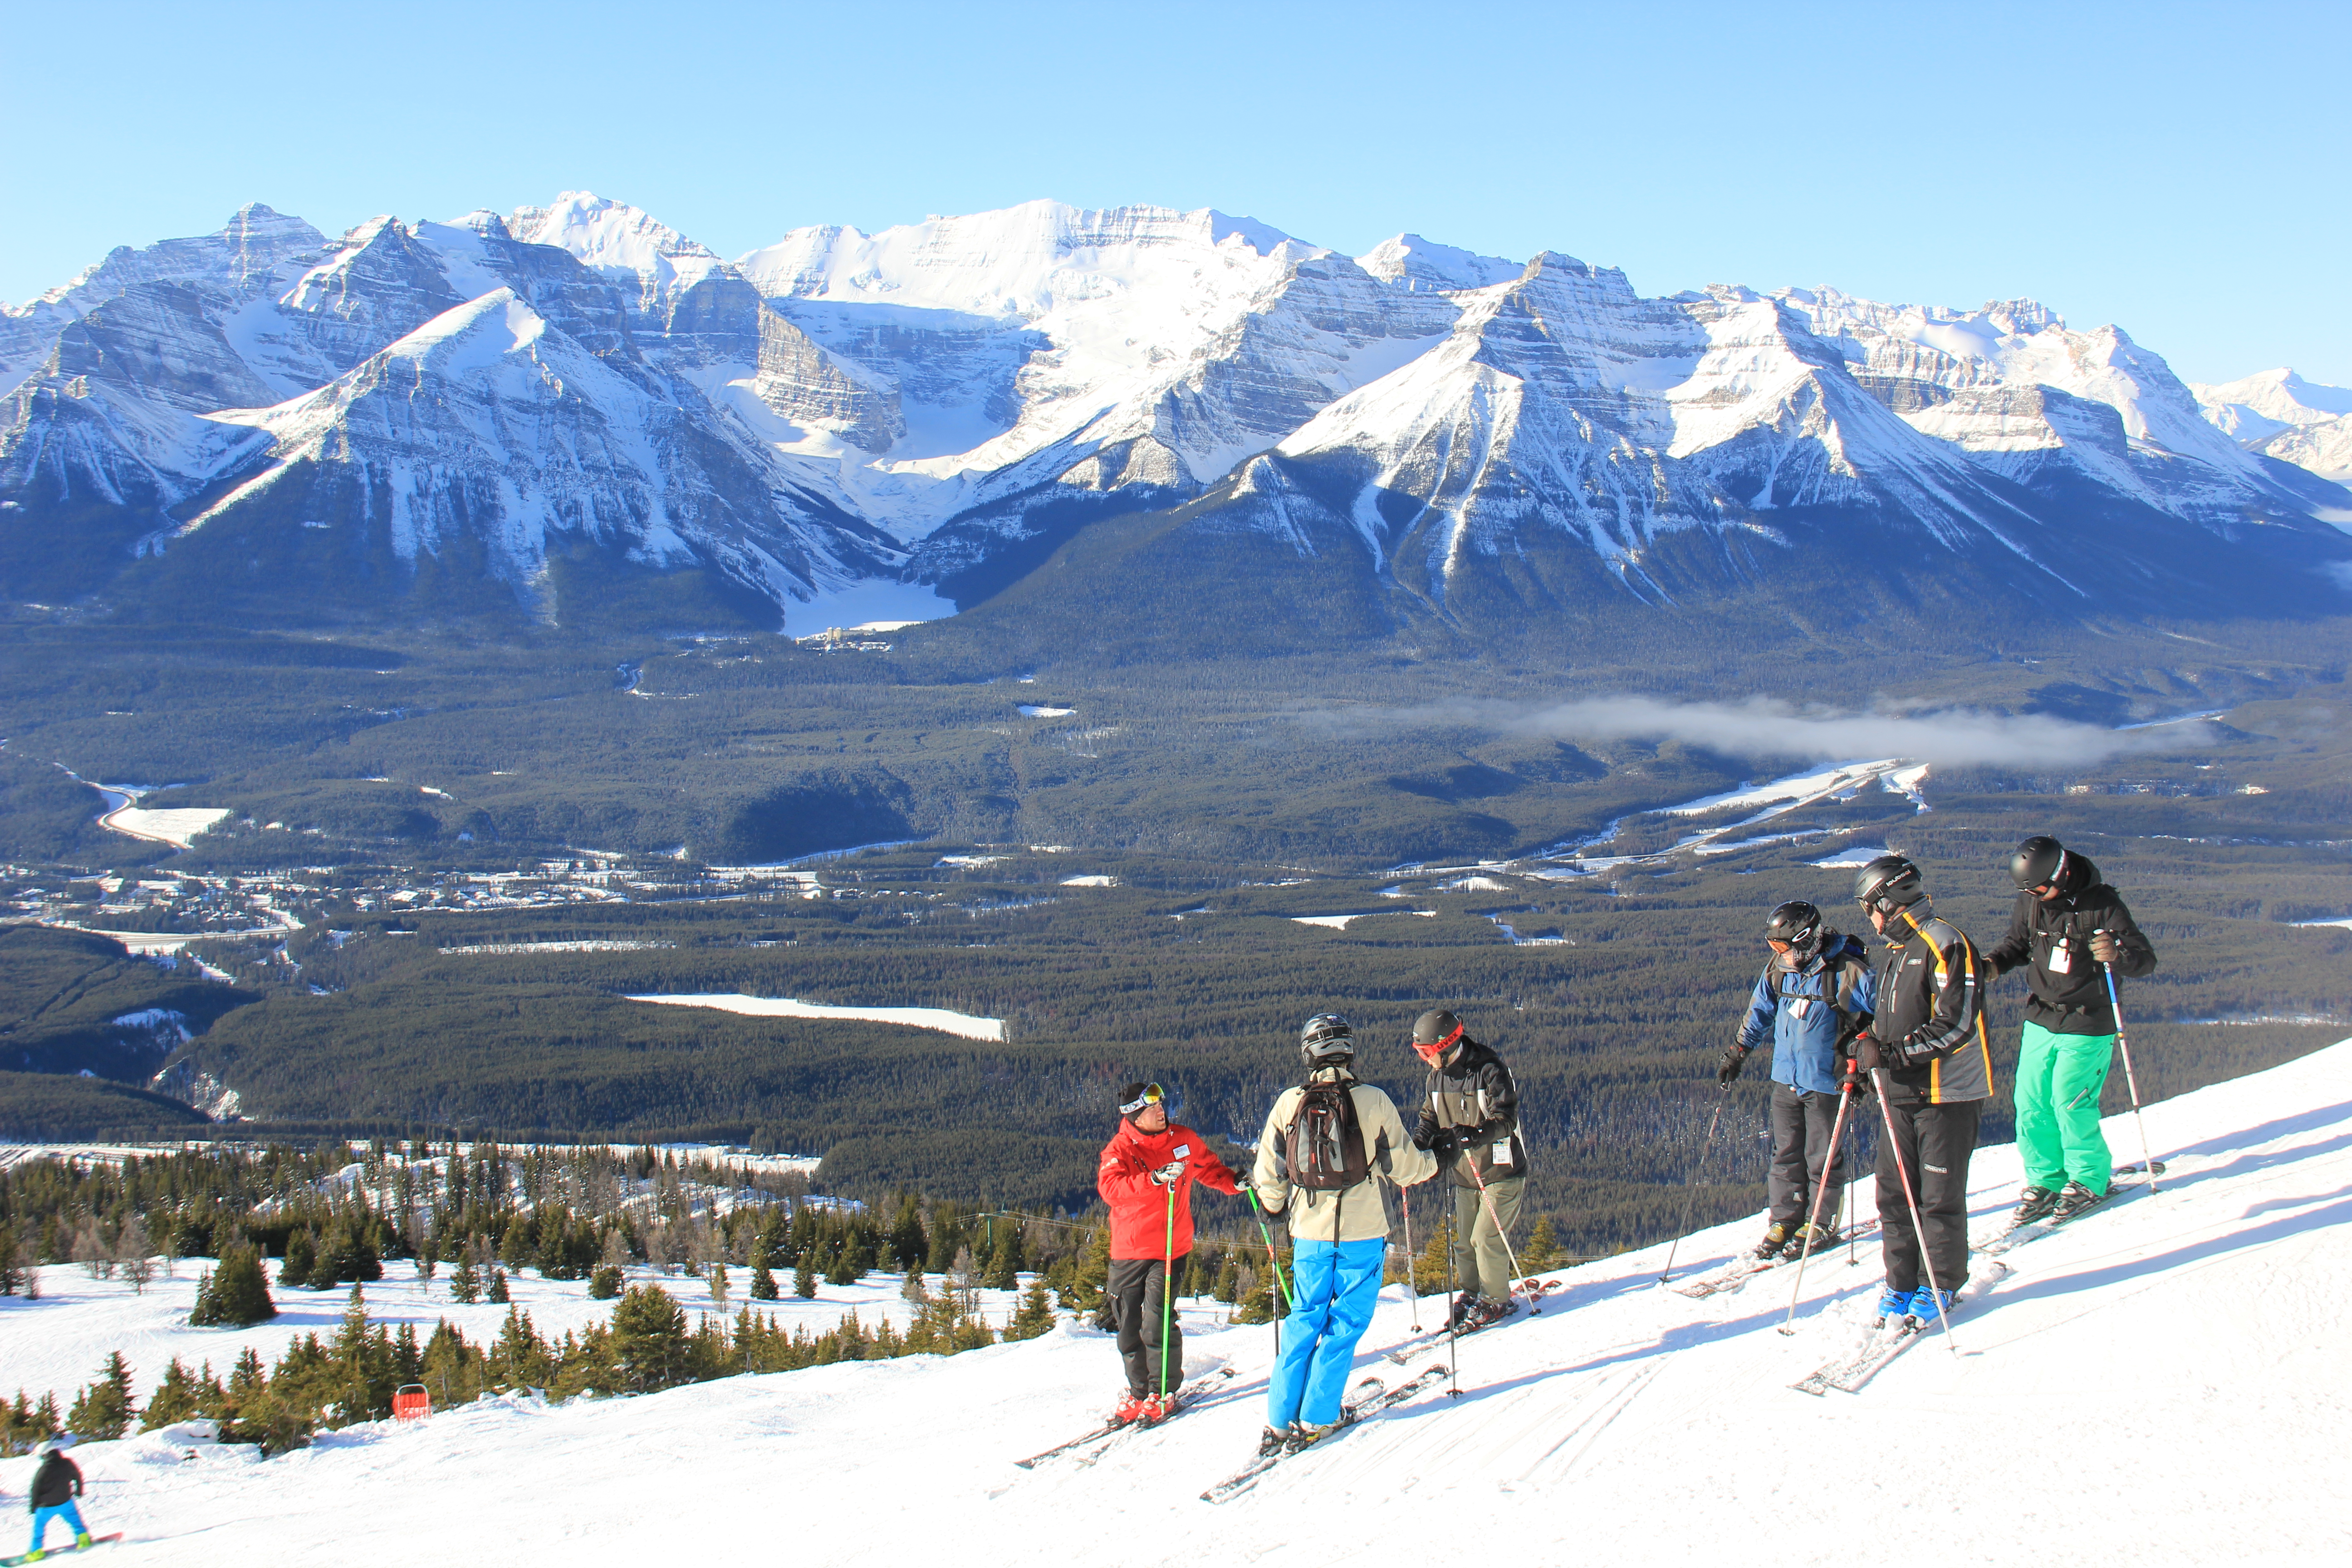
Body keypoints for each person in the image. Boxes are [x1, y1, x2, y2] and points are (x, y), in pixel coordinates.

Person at [1250, 1014, 1436, 1455]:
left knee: (1304, 1318)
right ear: (1349, 1051)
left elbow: (1268, 1174)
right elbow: (1407, 1167)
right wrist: (1437, 1159)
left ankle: (1279, 1421)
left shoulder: (1288, 1103)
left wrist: (1275, 1208)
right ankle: (1318, 1416)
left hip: (1309, 1233)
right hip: (1363, 1232)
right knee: (1346, 1322)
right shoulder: (1373, 1101)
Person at [1848, 854, 1995, 1325]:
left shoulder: (1945, 943)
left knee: (1938, 1197)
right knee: (1895, 1194)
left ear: (1888, 901)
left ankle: (1942, 1284)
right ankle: (1901, 1283)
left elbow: (1956, 1027)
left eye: (1869, 907)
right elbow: (1888, 1022)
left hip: (1945, 1096)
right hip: (1901, 1095)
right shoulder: (1896, 951)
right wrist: (1864, 1052)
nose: (1868, 919)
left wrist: (1889, 1057)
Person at [1982, 836, 2159, 1224]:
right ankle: (2046, 1179)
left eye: (2040, 888)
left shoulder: (2102, 904)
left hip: (2088, 1020)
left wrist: (2117, 953)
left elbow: (2145, 960)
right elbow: (2017, 944)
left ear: (2060, 875)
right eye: (2029, 890)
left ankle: (2089, 1178)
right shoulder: (2032, 901)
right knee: (2030, 1104)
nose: (2035, 896)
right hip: (2042, 1016)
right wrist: (1994, 964)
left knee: (2070, 1101)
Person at [1720, 901, 1876, 1260]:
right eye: (1775, 948)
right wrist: (1738, 1052)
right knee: (1785, 1153)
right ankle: (1785, 1218)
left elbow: (1882, 1010)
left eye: (1784, 946)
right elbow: (1760, 1010)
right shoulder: (1780, 970)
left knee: (1821, 1155)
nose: (1780, 954)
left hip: (1827, 1081)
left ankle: (1821, 1221)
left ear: (1806, 939)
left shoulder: (1848, 971)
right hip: (1787, 1077)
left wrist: (1865, 1055)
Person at [1095, 1079, 1241, 1425]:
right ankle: (1139, 1392)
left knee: (1157, 1320)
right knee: (1128, 1324)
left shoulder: (1183, 1140)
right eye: (1153, 1108)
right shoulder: (1119, 1149)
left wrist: (1234, 1183)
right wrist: (1155, 1179)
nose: (1163, 1111)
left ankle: (1164, 1391)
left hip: (1170, 1248)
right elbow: (1111, 1189)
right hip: (1129, 1250)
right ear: (1135, 1116)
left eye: (1162, 1105)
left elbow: (1208, 1169)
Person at [1407, 1009, 1528, 1328]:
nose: (1424, 1059)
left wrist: (1477, 1134)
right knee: (1464, 1241)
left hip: (1501, 1173)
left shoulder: (1489, 1070)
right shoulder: (1436, 1078)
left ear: (1445, 1047)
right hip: (1466, 1174)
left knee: (1486, 1237)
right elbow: (1429, 1119)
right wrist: (1417, 1145)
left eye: (1427, 1053)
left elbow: (1507, 1117)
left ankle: (1495, 1299)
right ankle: (1473, 1293)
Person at [24, 1438, 92, 1561]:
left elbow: (35, 1489)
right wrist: (79, 1490)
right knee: (76, 1523)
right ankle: (84, 1540)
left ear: (45, 1455)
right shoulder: (67, 1463)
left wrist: (33, 1506)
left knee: (39, 1529)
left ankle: (36, 1552)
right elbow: (77, 1476)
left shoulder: (44, 1470)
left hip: (46, 1507)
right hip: (66, 1502)